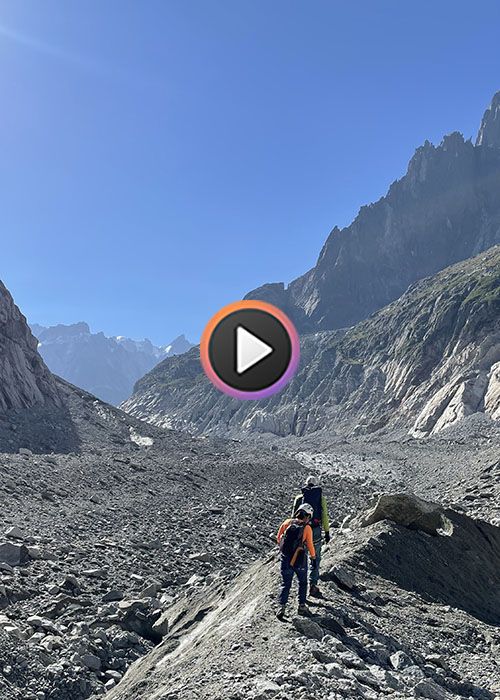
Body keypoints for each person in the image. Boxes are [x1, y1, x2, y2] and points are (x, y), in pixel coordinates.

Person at [291, 475, 330, 598]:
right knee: (316, 557)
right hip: (315, 531)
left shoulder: (299, 498)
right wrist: (327, 532)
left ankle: (301, 585)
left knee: (302, 557)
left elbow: (294, 517)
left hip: (302, 531)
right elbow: (324, 515)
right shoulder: (320, 498)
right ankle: (313, 584)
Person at [276, 503, 316, 619]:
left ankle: (282, 607)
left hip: (286, 558)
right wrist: (313, 558)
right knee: (302, 582)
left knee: (285, 583)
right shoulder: (307, 528)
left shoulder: (287, 523)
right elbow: (310, 544)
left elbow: (279, 539)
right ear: (307, 516)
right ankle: (301, 607)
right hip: (299, 559)